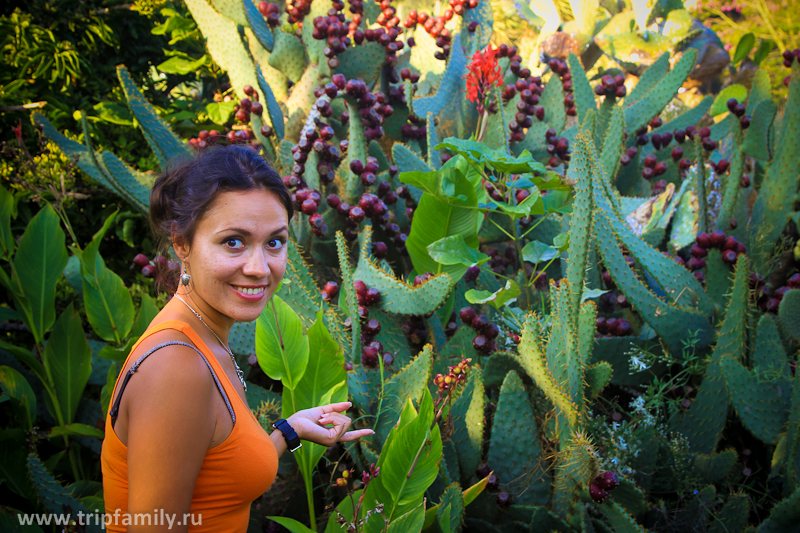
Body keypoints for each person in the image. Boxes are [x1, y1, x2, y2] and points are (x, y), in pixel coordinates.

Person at [100, 144, 373, 533]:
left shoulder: (203, 337)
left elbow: (216, 474)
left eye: (274, 242)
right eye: (233, 241)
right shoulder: (177, 368)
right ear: (182, 244)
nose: (259, 268)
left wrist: (289, 430)